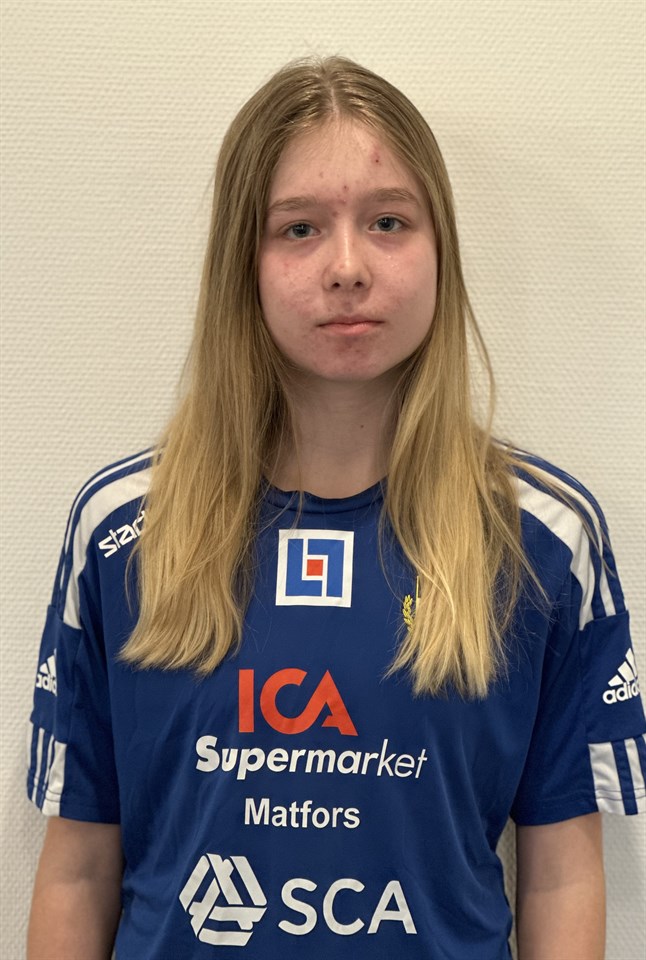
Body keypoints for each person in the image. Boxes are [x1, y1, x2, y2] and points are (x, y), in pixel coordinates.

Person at [26, 56, 645, 960]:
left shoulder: (544, 541)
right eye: (300, 228)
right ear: (242, 263)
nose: (347, 268)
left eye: (388, 222)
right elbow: (79, 868)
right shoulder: (121, 531)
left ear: (441, 251)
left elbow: (561, 875)